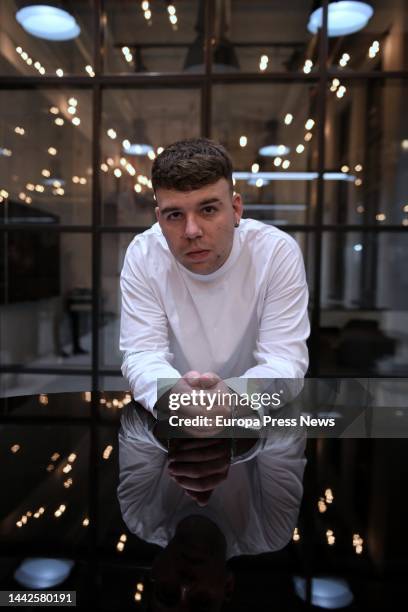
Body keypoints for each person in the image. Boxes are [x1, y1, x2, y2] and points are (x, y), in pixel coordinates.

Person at [120, 138, 310, 417]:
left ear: (236, 209)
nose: (192, 231)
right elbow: (142, 354)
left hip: (256, 422)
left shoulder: (275, 252)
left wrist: (232, 397)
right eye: (175, 215)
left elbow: (285, 361)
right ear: (159, 219)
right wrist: (174, 394)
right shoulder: (144, 254)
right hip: (173, 421)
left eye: (208, 209)